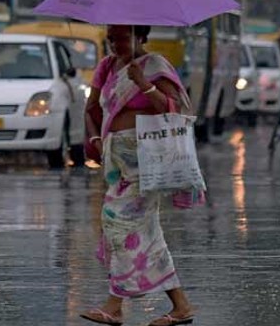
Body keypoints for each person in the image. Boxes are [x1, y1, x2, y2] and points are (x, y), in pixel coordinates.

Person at [80, 25, 202, 326]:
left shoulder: (156, 66)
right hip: (116, 165)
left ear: (141, 37)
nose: (115, 44)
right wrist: (95, 139)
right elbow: (91, 109)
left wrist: (144, 85)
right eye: (111, 39)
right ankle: (180, 306)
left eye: (122, 38)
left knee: (120, 227)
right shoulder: (107, 67)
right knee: (141, 233)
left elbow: (177, 111)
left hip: (148, 164)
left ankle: (114, 306)